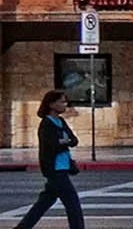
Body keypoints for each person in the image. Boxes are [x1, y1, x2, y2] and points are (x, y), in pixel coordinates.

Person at [14, 90, 85, 229]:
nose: (65, 105)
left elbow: (74, 140)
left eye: (65, 101)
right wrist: (64, 141)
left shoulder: (61, 121)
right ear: (52, 104)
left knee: (43, 203)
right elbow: (52, 146)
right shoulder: (46, 124)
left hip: (64, 167)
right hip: (55, 169)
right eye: (62, 102)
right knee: (73, 204)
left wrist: (63, 141)